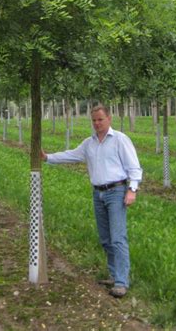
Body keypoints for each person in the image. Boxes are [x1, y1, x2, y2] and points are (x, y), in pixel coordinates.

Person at [41, 104, 142, 297]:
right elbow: (71, 155)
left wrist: (132, 189)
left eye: (100, 119)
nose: (97, 123)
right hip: (98, 194)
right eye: (94, 120)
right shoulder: (89, 143)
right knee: (106, 239)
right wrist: (47, 158)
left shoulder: (120, 140)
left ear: (109, 119)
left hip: (117, 191)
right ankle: (114, 275)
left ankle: (121, 282)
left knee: (118, 238)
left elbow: (134, 167)